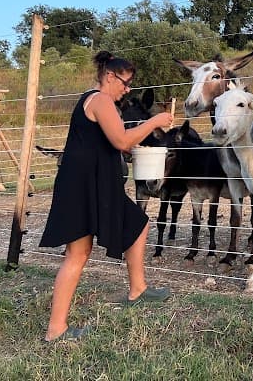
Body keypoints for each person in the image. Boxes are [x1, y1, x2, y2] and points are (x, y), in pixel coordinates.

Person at [39, 50, 174, 342]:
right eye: (125, 83)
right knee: (78, 254)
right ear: (110, 77)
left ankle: (138, 289)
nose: (127, 90)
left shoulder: (98, 102)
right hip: (83, 188)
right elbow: (120, 139)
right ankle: (56, 329)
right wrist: (155, 121)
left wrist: (131, 149)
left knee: (137, 223)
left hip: (98, 186)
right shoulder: (100, 100)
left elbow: (114, 144)